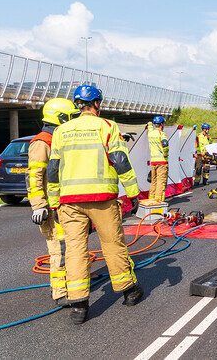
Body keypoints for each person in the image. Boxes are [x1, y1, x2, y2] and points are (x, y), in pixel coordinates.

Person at [47, 85, 142, 324]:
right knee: (112, 244)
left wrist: (53, 201)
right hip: (102, 199)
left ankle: (79, 306)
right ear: (97, 103)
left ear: (78, 104)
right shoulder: (107, 126)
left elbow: (53, 170)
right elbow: (120, 161)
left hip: (70, 201)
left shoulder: (61, 131)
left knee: (75, 250)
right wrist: (133, 193)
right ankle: (129, 292)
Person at [28, 97, 80, 307]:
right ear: (59, 118)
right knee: (58, 249)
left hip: (62, 204)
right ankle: (60, 292)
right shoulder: (42, 142)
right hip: (51, 207)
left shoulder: (58, 139)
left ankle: (67, 284)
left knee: (69, 247)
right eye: (69, 117)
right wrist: (39, 205)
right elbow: (35, 176)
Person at [147, 115, 169, 203]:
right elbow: (165, 144)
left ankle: (151, 200)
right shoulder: (162, 134)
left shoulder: (150, 133)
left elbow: (149, 127)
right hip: (162, 162)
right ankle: (158, 202)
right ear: (161, 124)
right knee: (161, 182)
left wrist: (149, 124)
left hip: (153, 162)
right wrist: (166, 155)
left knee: (154, 182)